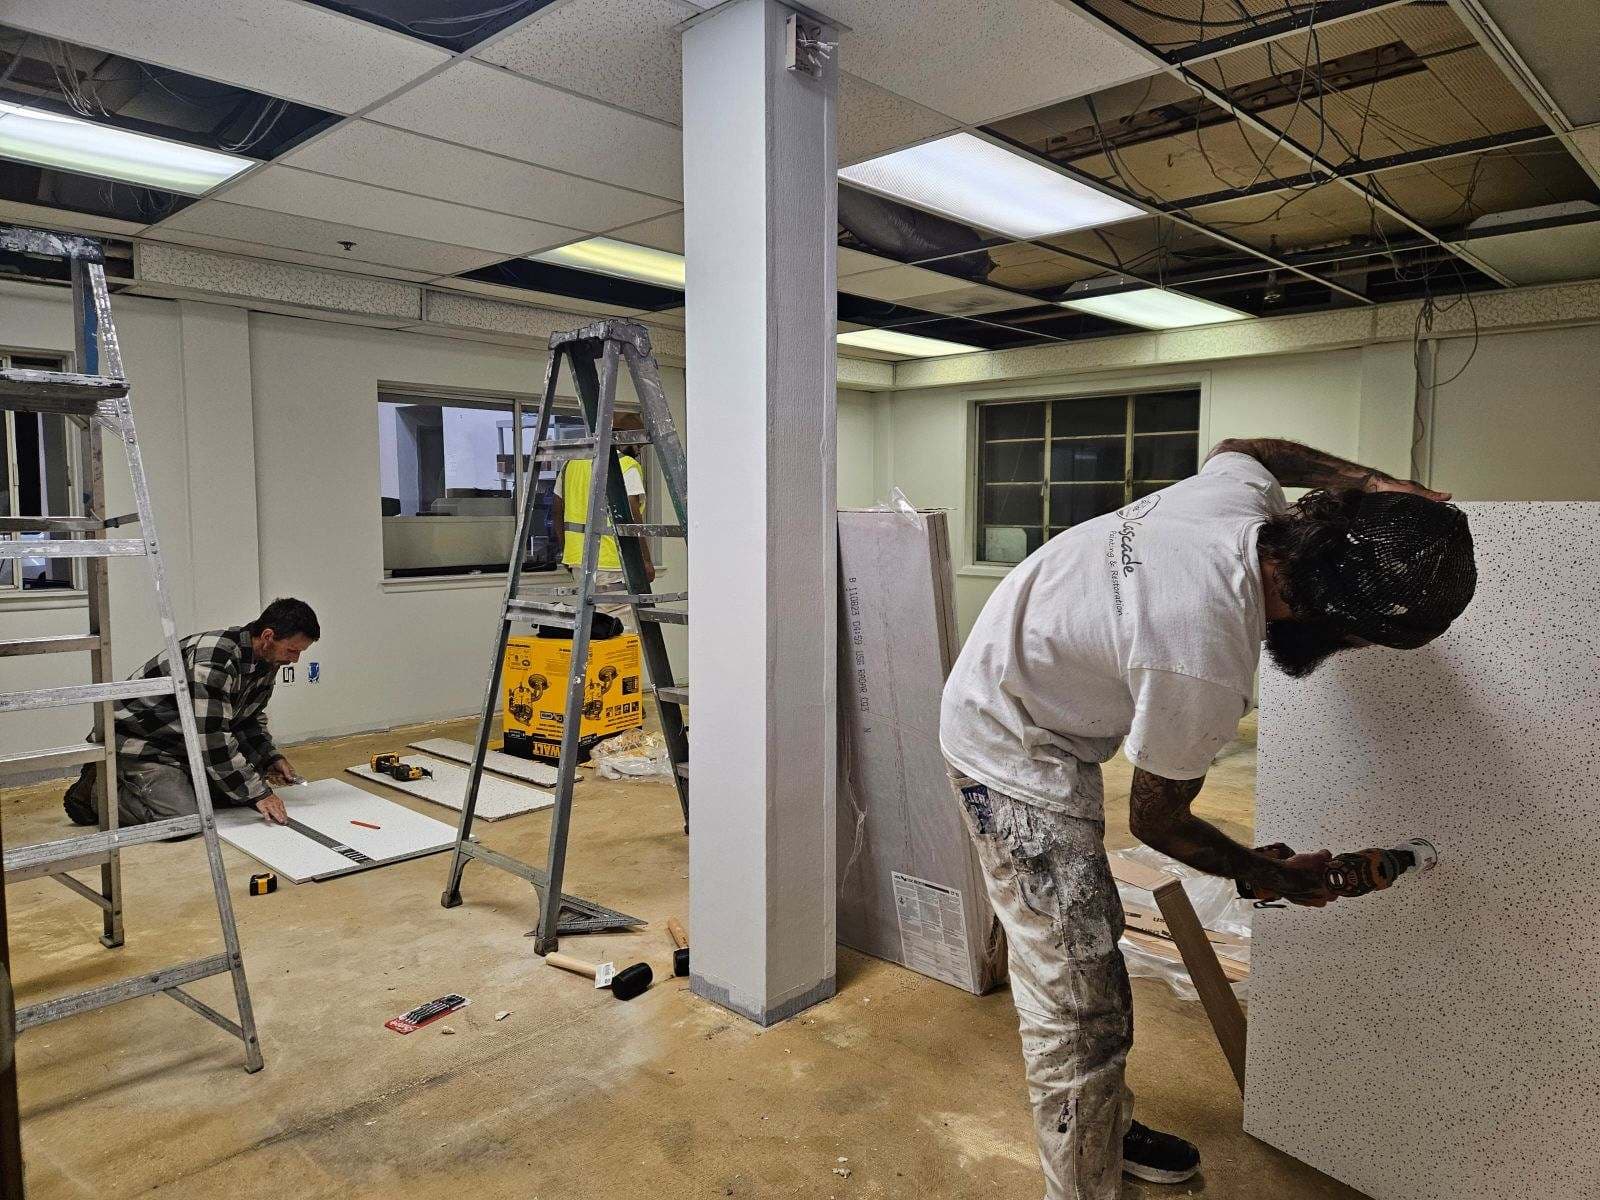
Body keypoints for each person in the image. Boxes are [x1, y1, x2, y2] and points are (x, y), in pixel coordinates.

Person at [939, 438, 1475, 1198]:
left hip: (1027, 674)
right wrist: (1273, 876)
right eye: (1358, 641)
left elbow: (1243, 446)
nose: (1351, 653)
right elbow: (1157, 819)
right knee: (1081, 1002)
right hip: (1010, 744)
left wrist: (1370, 478)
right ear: (1331, 618)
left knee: (1089, 952)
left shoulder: (1242, 501)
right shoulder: (1203, 652)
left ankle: (1103, 1129)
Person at [63, 597, 320, 829]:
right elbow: (213, 739)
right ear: (267, 636)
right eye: (292, 650)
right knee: (184, 819)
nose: (295, 659)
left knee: (238, 792)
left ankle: (173, 785)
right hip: (140, 743)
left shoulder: (266, 661)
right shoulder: (214, 660)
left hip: (180, 744)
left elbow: (248, 719)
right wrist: (260, 794)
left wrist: (270, 757)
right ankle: (96, 791)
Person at [549, 412, 654, 624]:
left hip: (579, 560)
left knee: (592, 626)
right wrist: (645, 560)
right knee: (620, 631)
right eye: (638, 446)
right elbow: (632, 518)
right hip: (613, 562)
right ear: (625, 439)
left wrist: (567, 551)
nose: (639, 451)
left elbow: (557, 512)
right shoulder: (626, 466)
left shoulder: (571, 464)